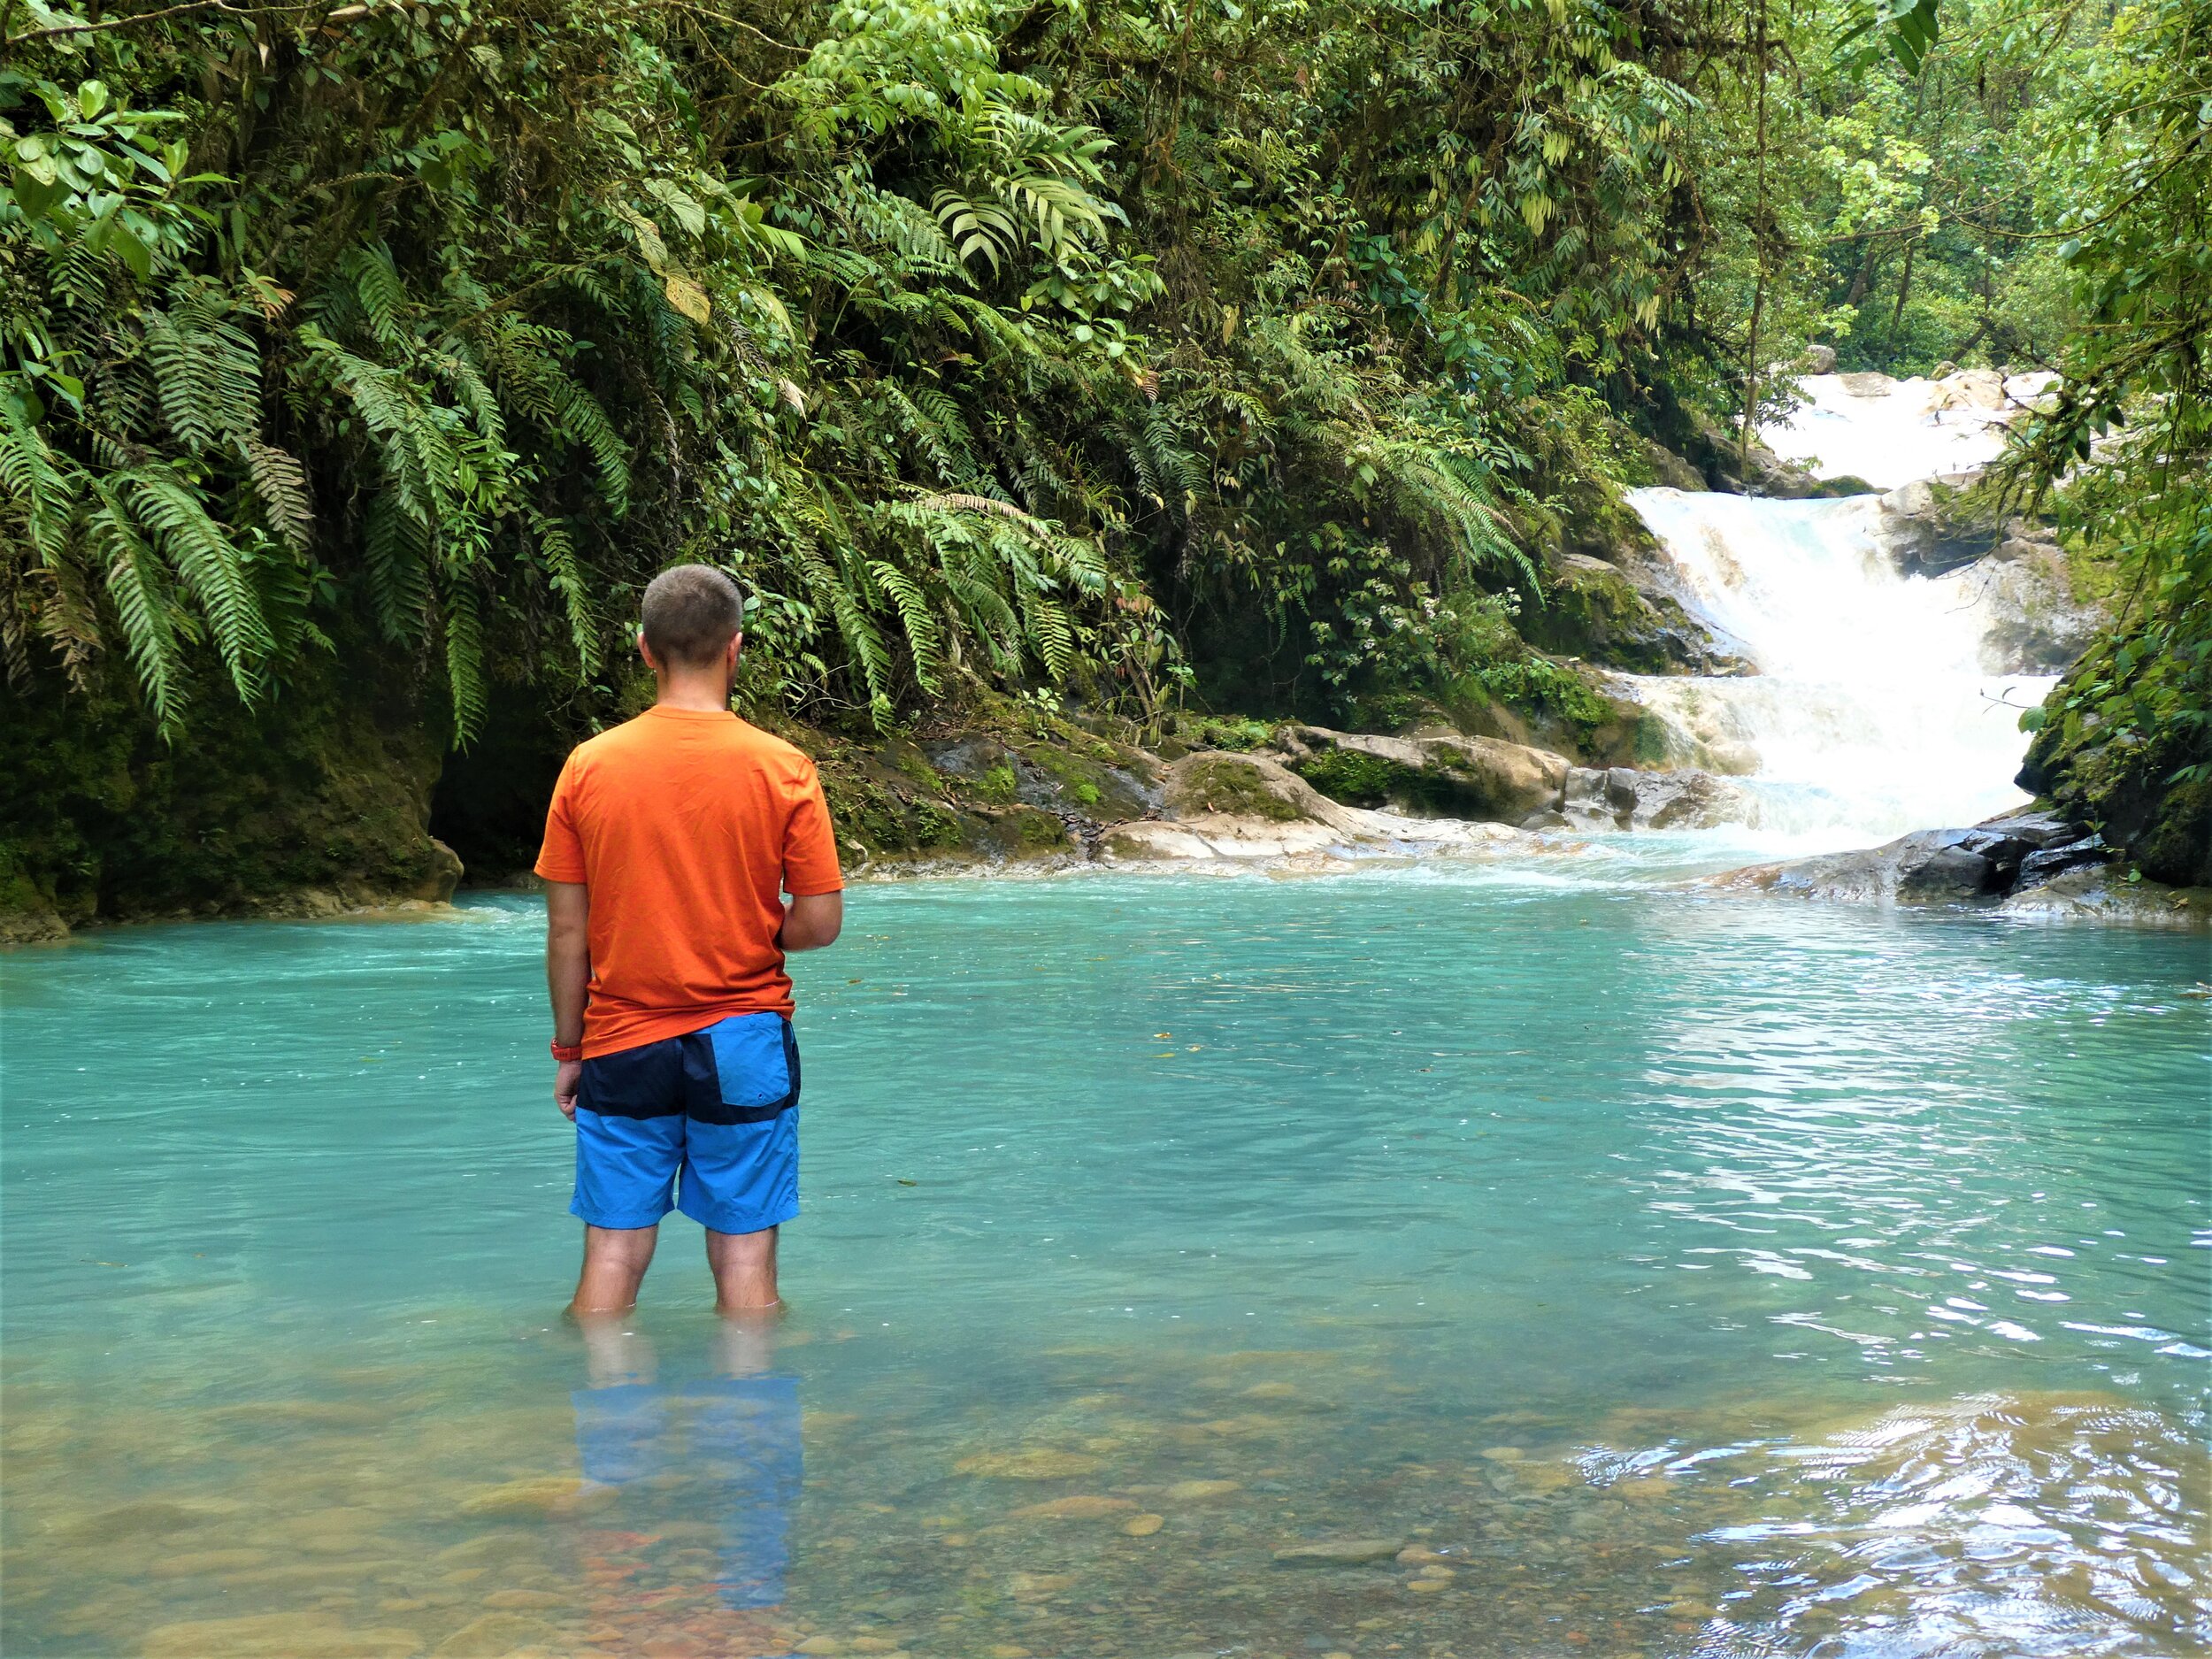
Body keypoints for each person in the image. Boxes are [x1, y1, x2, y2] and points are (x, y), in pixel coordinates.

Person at [534, 564, 843, 1316]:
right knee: (745, 1258)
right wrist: (744, 921)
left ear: (645, 649)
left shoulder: (589, 766)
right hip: (744, 1042)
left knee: (613, 1251)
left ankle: (595, 1389)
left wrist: (571, 1050)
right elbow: (819, 921)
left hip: (622, 1040)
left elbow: (568, 931)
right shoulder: (783, 767)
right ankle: (750, 1390)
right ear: (736, 648)